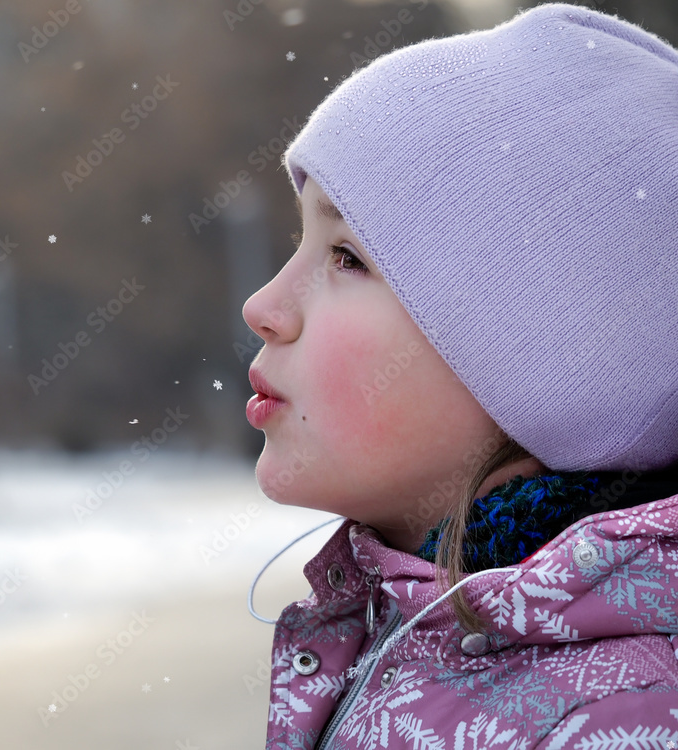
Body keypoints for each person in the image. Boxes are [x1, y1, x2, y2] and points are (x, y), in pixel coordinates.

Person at [241, 3, 678, 748]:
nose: (264, 306)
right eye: (300, 241)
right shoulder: (400, 629)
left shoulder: (617, 719)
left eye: (347, 257)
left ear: (547, 365)